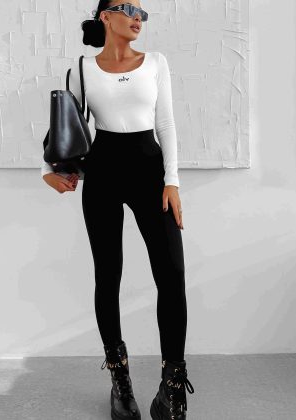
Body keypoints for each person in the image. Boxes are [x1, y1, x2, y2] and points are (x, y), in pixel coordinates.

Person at [41, 1, 195, 419]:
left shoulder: (156, 62)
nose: (137, 17)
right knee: (108, 276)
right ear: (105, 16)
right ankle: (120, 382)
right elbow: (64, 126)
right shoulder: (81, 69)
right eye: (128, 8)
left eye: (142, 12)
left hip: (150, 172)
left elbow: (166, 124)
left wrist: (172, 181)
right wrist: (48, 171)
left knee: (172, 275)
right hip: (103, 174)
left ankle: (172, 388)